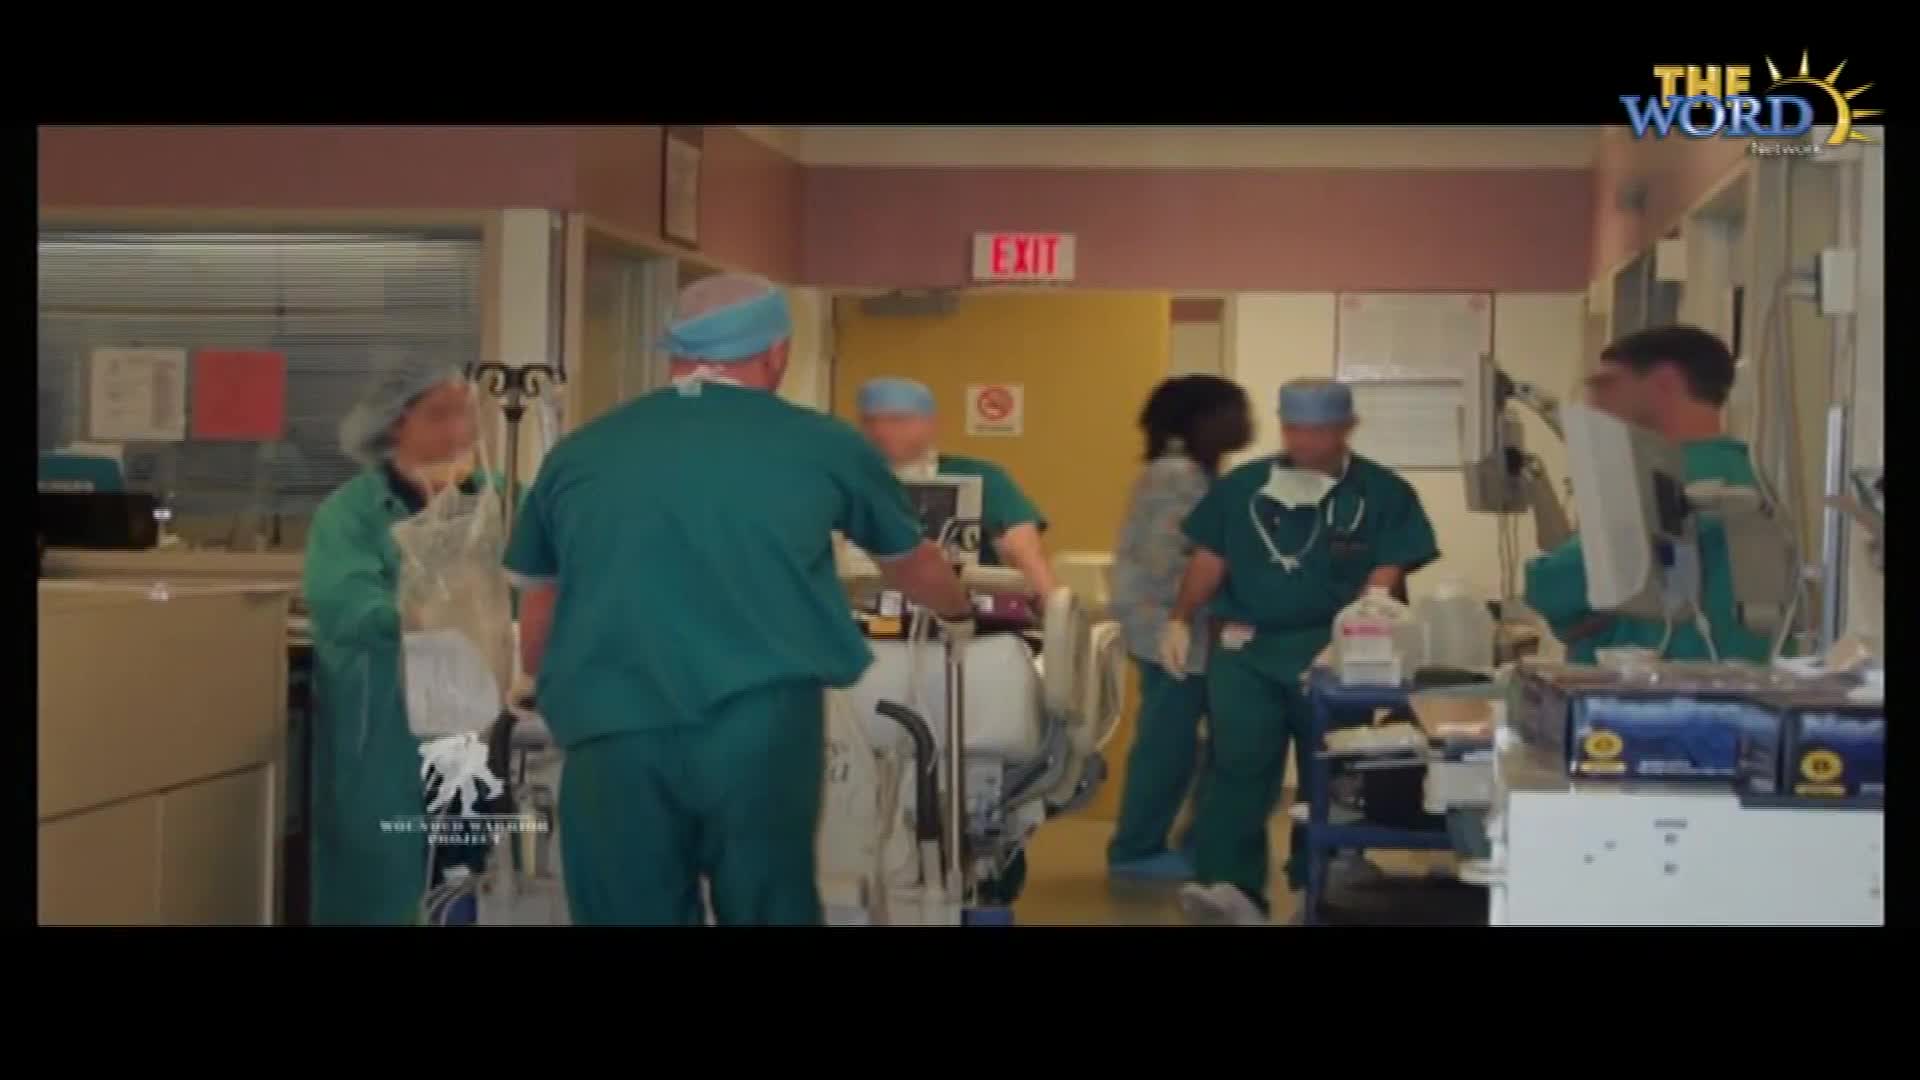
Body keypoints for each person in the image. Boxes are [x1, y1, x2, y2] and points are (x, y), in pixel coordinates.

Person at [505, 274, 976, 927]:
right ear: (777, 351)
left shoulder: (581, 452)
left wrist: (540, 685)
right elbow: (914, 567)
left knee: (625, 909)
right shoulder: (824, 444)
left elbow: (538, 619)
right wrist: (959, 612)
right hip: (758, 729)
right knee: (767, 904)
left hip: (614, 731)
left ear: (673, 351)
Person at [1160, 378, 1440, 926]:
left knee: (1332, 770)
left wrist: (1367, 624)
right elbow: (1209, 560)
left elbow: (1387, 570)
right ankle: (1231, 888)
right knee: (1237, 768)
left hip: (1334, 652)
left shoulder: (1382, 493)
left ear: (1347, 429)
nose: (1304, 442)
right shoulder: (1242, 488)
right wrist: (1179, 619)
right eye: (1294, 429)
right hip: (1246, 650)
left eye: (1319, 430)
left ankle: (1325, 883)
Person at [303, 357, 489, 925]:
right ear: (393, 425)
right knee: (386, 877)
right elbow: (344, 604)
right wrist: (422, 612)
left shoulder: (496, 503)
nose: (459, 430)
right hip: (385, 731)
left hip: (479, 723)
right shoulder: (352, 514)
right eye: (439, 414)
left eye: (466, 414)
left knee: (477, 868)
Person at [1524, 326, 1773, 663]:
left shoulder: (1673, 479)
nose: (1593, 401)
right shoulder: (1745, 472)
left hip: (1660, 696)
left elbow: (1550, 585)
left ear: (1664, 385)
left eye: (1607, 385)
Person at [1106, 375, 1254, 883]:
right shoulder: (1177, 474)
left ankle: (1192, 843)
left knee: (1204, 742)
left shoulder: (1198, 472)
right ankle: (1135, 850)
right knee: (1167, 744)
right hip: (1169, 626)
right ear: (1204, 418)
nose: (1247, 421)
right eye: (1236, 410)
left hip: (1188, 625)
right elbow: (1189, 554)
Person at [856, 377, 1058, 596]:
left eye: (898, 420)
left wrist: (1054, 615)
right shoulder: (847, 478)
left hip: (963, 611)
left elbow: (1023, 551)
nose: (882, 431)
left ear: (930, 423)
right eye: (871, 421)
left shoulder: (980, 476)